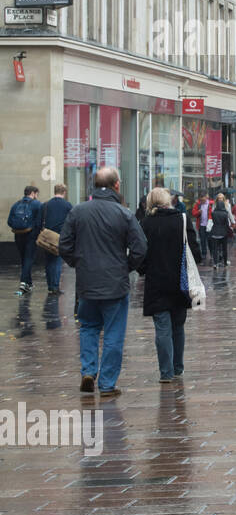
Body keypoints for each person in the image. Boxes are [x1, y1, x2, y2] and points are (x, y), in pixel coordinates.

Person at [58, 166, 148, 398]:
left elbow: (64, 246)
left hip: (87, 284)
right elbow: (140, 248)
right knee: (113, 334)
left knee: (88, 327)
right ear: (117, 185)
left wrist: (80, 264)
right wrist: (126, 267)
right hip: (115, 284)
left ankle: (88, 371)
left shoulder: (78, 212)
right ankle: (107, 383)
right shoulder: (124, 213)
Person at [138, 187, 202, 384]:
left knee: (162, 327)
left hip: (156, 282)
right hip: (180, 281)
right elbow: (196, 252)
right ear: (168, 201)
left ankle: (166, 372)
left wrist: (143, 268)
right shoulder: (182, 220)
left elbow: (140, 252)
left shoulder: (145, 223)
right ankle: (177, 367)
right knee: (178, 325)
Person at [8, 184, 43, 294]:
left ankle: (29, 283)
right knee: (29, 258)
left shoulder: (16, 204)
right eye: (37, 194)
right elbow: (40, 221)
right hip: (31, 235)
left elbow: (9, 221)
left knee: (24, 258)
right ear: (33, 193)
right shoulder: (37, 204)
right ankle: (23, 283)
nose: (37, 196)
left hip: (18, 235)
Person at [43, 184, 73, 295]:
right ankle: (55, 286)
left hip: (47, 237)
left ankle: (50, 285)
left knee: (48, 261)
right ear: (64, 192)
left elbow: (39, 221)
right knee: (57, 261)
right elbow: (72, 221)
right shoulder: (68, 205)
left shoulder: (46, 204)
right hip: (60, 237)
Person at [208, 193, 233, 267]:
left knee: (215, 249)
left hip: (215, 232)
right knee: (224, 248)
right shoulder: (225, 214)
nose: (220, 199)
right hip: (223, 233)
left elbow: (213, 220)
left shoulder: (213, 213)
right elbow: (226, 223)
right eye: (219, 198)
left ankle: (215, 263)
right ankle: (225, 262)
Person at [192, 192, 211, 262]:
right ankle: (204, 254)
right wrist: (198, 212)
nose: (202, 201)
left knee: (210, 240)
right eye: (201, 200)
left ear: (206, 197)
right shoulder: (198, 204)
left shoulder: (211, 204)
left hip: (209, 225)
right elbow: (193, 213)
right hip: (201, 225)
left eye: (204, 200)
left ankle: (212, 254)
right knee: (202, 241)